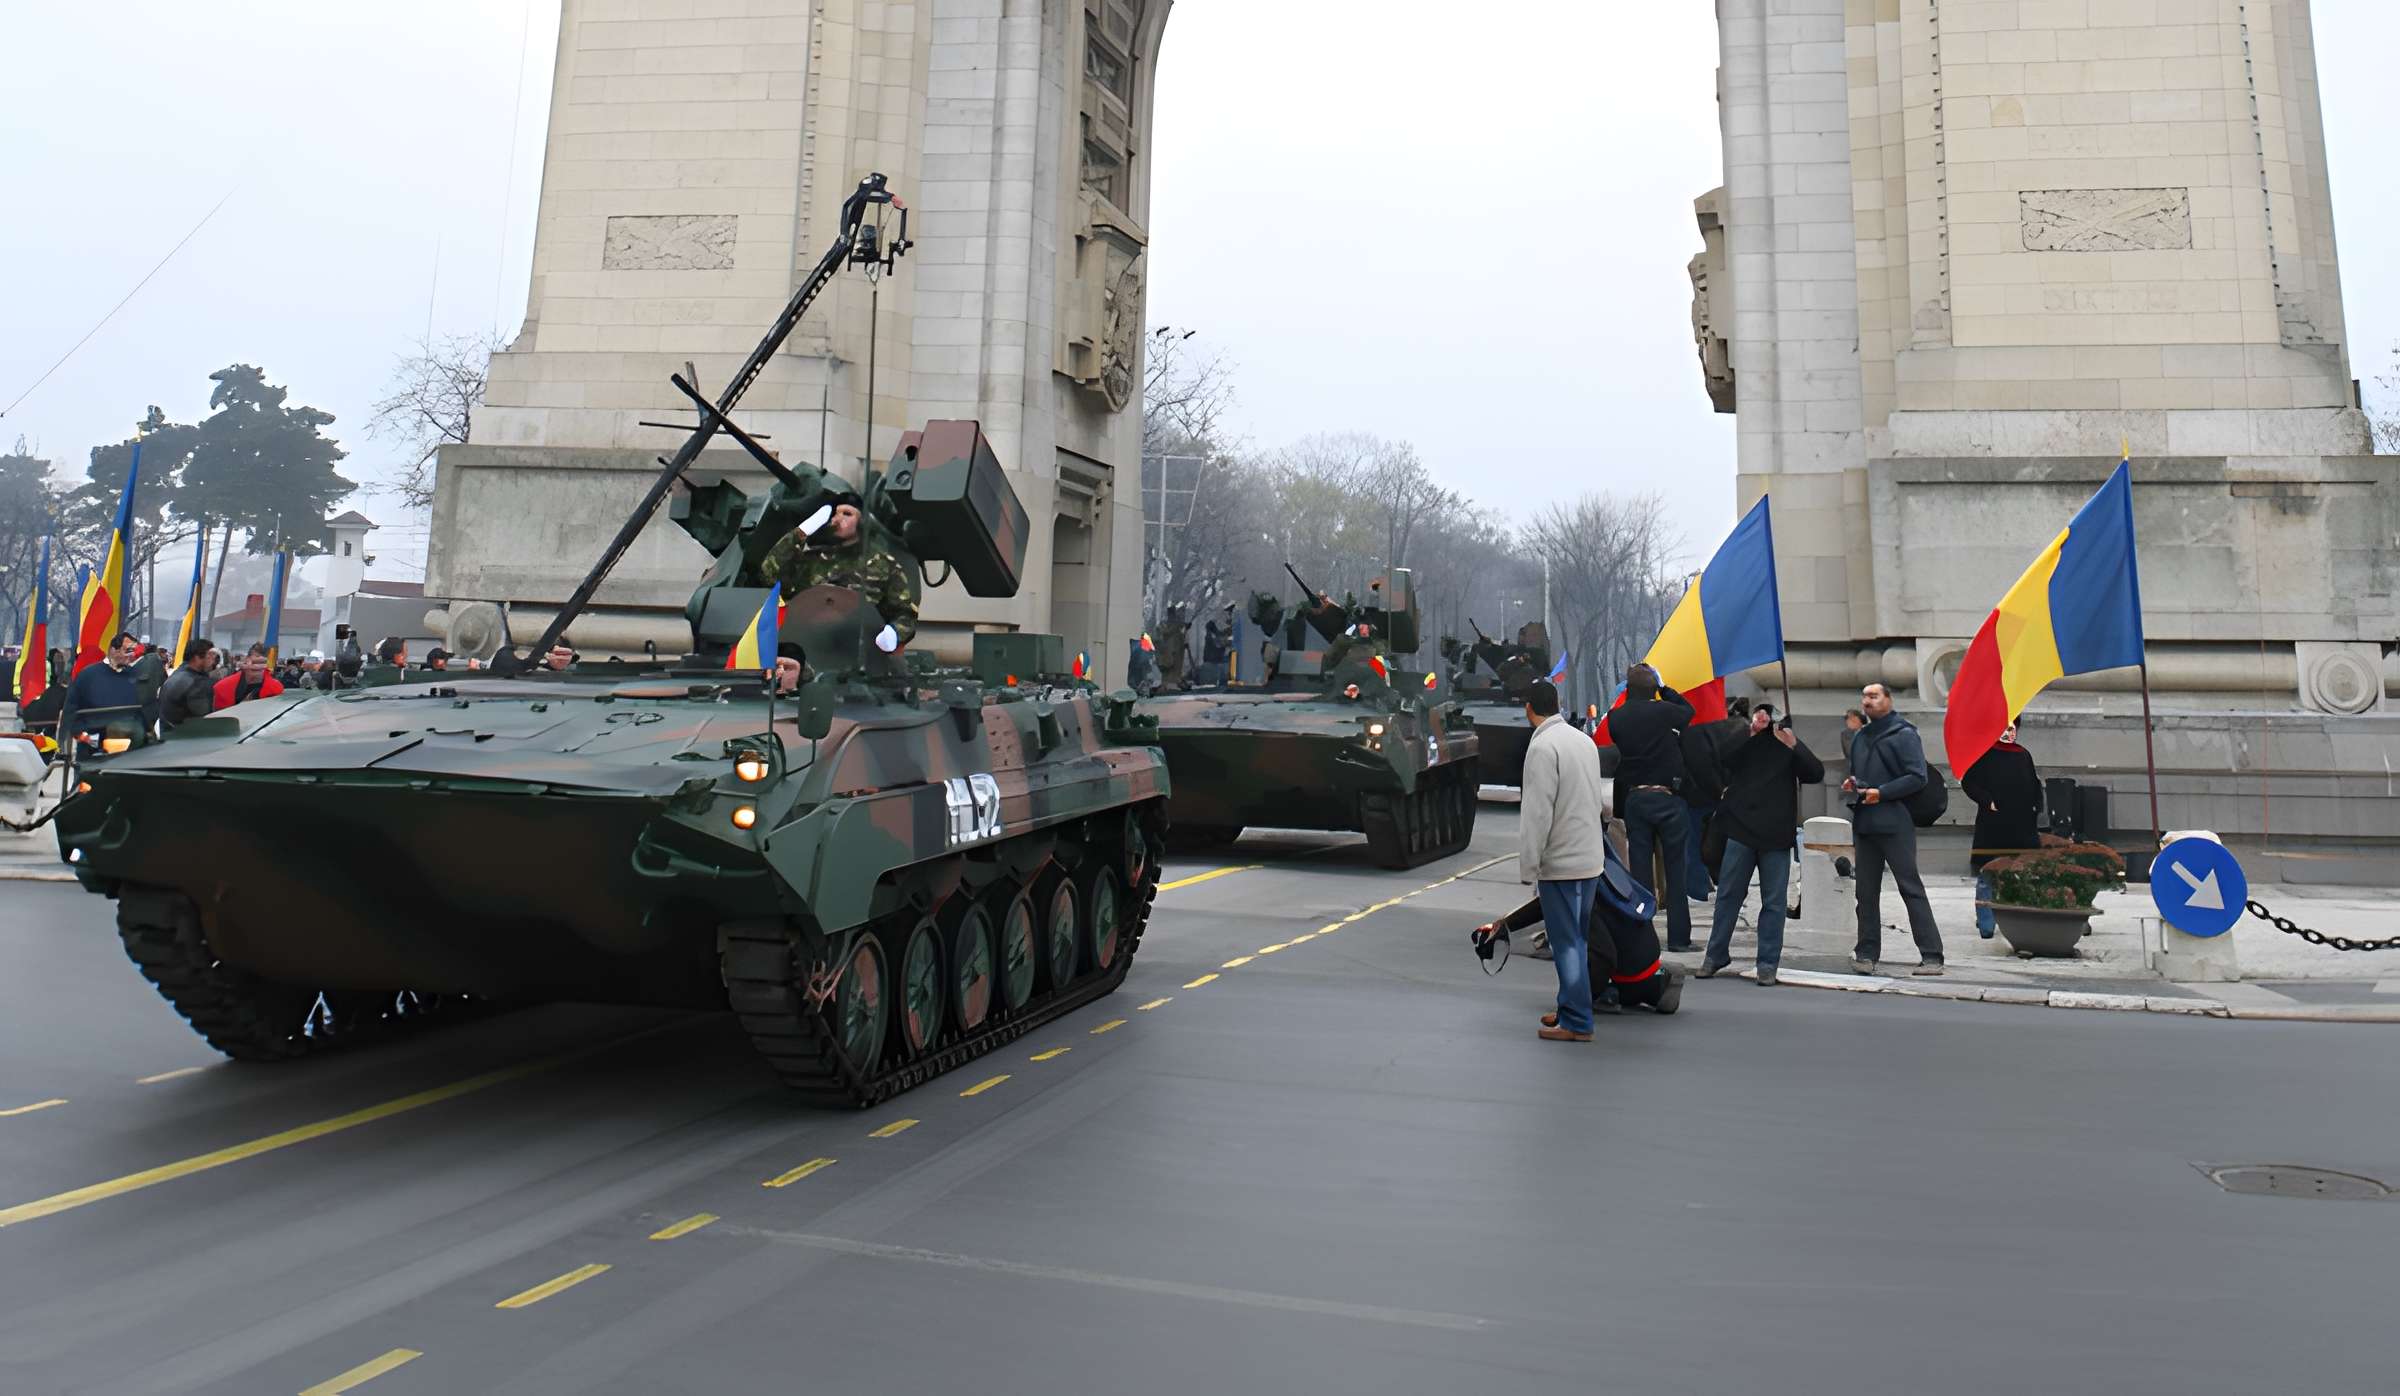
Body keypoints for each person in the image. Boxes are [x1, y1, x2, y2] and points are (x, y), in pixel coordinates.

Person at [1475, 835, 1685, 1017]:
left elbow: (1604, 956)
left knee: (1578, 947)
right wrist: (1505, 924)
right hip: (1642, 959)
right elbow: (1548, 902)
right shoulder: (1595, 870)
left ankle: (1619, 992)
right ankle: (1657, 983)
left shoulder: (1582, 897)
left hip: (1629, 974)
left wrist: (1578, 1000)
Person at [1699, 703, 1824, 986]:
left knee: (1774, 902)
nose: (1762, 721)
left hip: (1776, 835)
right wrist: (1749, 734)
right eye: (1758, 717)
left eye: (1766, 718)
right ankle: (1715, 954)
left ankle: (1767, 963)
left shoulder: (1787, 746)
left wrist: (1794, 744)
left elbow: (1815, 773)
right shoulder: (1745, 743)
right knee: (1728, 897)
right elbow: (1721, 758)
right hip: (1741, 830)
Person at [1515, 679, 1611, 1040]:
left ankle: (1577, 1021)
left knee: (1566, 943)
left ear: (1529, 708)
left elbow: (1538, 813)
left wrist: (1529, 865)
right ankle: (1570, 1006)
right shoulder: (1582, 741)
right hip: (1589, 859)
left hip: (1562, 863)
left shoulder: (1542, 748)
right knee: (1577, 939)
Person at [1845, 681, 1945, 975]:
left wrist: (1883, 792)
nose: (1867, 701)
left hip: (1895, 823)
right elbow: (1862, 775)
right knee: (1865, 893)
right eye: (1864, 696)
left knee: (1910, 888)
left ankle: (1932, 956)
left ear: (1888, 699)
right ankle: (1866, 953)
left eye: (1874, 696)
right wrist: (1857, 785)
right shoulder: (1860, 737)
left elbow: (1918, 777)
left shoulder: (1904, 734)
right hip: (1865, 823)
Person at [1606, 663, 1698, 951]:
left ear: (1629, 690)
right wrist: (1664, 689)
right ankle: (1679, 939)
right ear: (1653, 689)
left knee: (1640, 875)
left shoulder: (1616, 718)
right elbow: (1688, 712)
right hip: (1668, 798)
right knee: (1675, 870)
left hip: (1636, 799)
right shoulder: (1665, 711)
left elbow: (1620, 740)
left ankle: (1640, 937)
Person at [755, 492, 918, 653]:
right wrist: (800, 533)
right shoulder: (811, 559)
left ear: (862, 522)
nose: (837, 519)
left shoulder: (882, 563)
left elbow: (905, 614)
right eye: (834, 514)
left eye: (847, 514)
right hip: (808, 648)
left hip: (862, 653)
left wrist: (893, 634)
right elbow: (768, 575)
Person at [1961, 722, 2042, 939]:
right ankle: (1986, 924)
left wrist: (2036, 807)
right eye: (2005, 728)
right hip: (1993, 827)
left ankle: (2019, 922)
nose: (2010, 732)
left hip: (2021, 827)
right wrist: (1988, 801)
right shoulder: (1985, 753)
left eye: (2013, 727)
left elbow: (2035, 784)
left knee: (2021, 874)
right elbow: (1969, 782)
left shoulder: (2023, 755)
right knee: (1988, 874)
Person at [1679, 695, 1749, 904]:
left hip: (1698, 794)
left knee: (1694, 845)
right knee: (1730, 845)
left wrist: (1717, 790)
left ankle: (1698, 890)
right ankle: (1730, 889)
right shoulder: (1741, 729)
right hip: (1731, 796)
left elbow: (1699, 763)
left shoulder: (1695, 728)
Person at [63, 632, 144, 741]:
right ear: (113, 650)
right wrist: (85, 738)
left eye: (133, 651)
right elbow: (70, 712)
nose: (132, 655)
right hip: (92, 750)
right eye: (128, 651)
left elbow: (142, 711)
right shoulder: (87, 676)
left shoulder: (136, 675)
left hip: (131, 749)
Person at [154, 638, 220, 733]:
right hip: (185, 739)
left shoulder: (177, 674)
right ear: (197, 657)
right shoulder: (196, 683)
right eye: (210, 656)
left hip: (168, 734)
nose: (213, 661)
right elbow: (205, 718)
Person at [213, 643, 285, 708]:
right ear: (246, 659)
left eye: (262, 662)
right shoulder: (222, 687)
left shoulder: (276, 689)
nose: (257, 666)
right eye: (254, 662)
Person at [1154, 603, 1190, 689]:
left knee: (1174, 668)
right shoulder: (1173, 624)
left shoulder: (1176, 624)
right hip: (1170, 652)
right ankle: (1170, 684)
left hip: (1175, 651)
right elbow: (1165, 633)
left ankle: (1173, 683)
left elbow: (1180, 637)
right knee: (1169, 668)